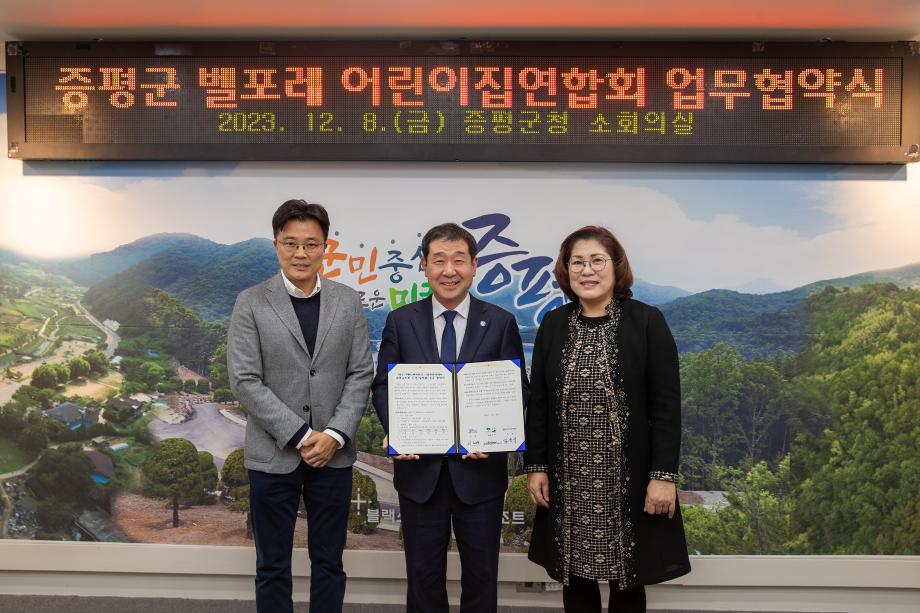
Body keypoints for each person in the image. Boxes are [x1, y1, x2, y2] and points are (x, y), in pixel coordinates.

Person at [524, 226, 691, 612]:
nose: (587, 270)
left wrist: (663, 476)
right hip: (569, 480)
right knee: (575, 576)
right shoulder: (553, 324)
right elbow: (540, 403)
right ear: (566, 270)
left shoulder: (646, 321)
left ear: (616, 267)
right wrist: (536, 466)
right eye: (577, 262)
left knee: (628, 578)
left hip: (628, 479)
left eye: (597, 260)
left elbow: (667, 407)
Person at [372, 223, 528, 613]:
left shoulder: (501, 321)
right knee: (423, 578)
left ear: (474, 265)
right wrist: (397, 430)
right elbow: (384, 385)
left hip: (480, 475)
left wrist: (494, 436)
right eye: (438, 260)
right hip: (420, 474)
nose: (449, 270)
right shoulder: (401, 321)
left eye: (459, 260)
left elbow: (516, 388)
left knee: (481, 578)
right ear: (424, 266)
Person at [227, 199, 374, 613]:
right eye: (290, 243)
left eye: (311, 244)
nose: (300, 253)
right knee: (272, 565)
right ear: (276, 245)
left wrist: (334, 435)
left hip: (333, 454)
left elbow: (360, 373)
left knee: (329, 562)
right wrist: (302, 435)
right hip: (273, 455)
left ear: (325, 247)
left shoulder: (348, 301)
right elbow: (245, 380)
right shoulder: (251, 302)